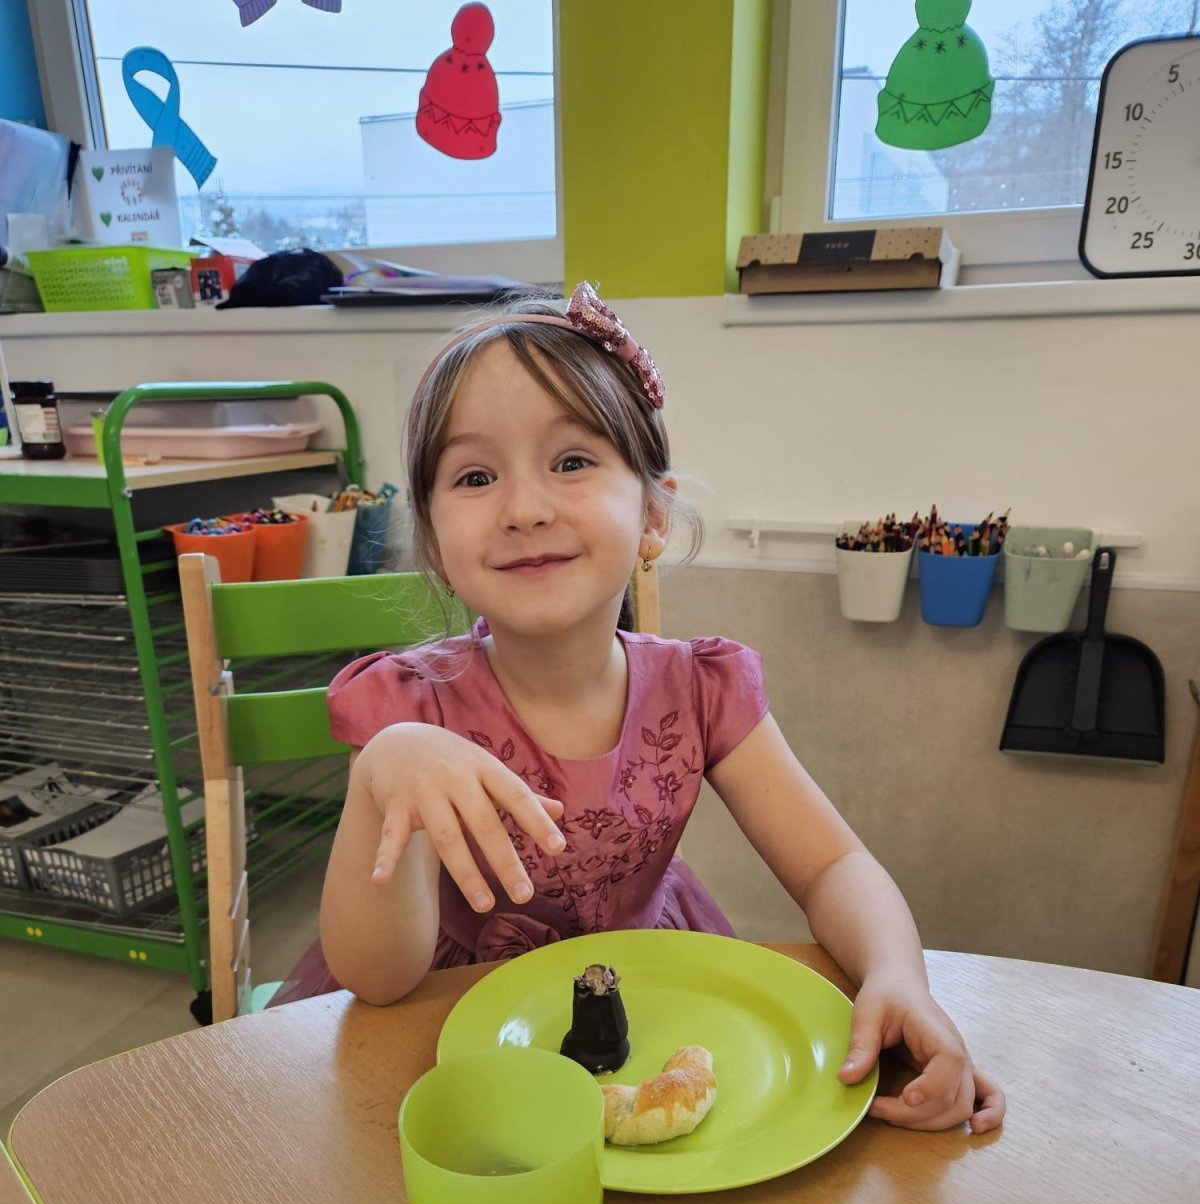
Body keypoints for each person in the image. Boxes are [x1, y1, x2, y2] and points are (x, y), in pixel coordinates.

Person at [299, 283, 1004, 1135]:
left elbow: (831, 867)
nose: (525, 509)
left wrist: (897, 975)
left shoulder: (702, 689)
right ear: (436, 545)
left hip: (651, 1009)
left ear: (654, 515)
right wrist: (380, 778)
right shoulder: (407, 714)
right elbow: (379, 980)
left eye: (571, 461)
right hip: (453, 1042)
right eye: (476, 476)